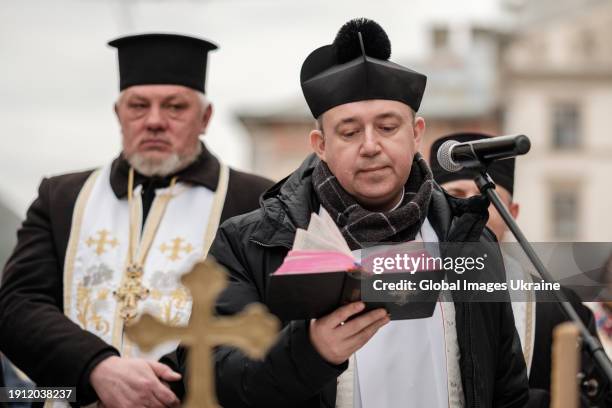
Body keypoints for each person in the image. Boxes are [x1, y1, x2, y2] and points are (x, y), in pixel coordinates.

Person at [168, 19, 528, 407]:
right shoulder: (250, 242)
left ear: (416, 133)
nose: (371, 146)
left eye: (388, 127)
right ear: (320, 144)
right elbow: (210, 375)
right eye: (350, 132)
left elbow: (505, 388)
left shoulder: (468, 239)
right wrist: (310, 352)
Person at [0, 33, 274, 408]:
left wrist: (163, 390)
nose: (155, 121)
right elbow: (17, 305)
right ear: (118, 114)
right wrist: (96, 368)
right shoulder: (62, 198)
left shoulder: (255, 201)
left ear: (205, 117)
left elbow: (266, 324)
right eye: (138, 106)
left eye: (175, 107)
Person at [429, 131, 603, 407]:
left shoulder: (558, 306)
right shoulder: (408, 290)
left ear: (513, 212)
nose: (473, 205)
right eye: (456, 195)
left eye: (486, 195)